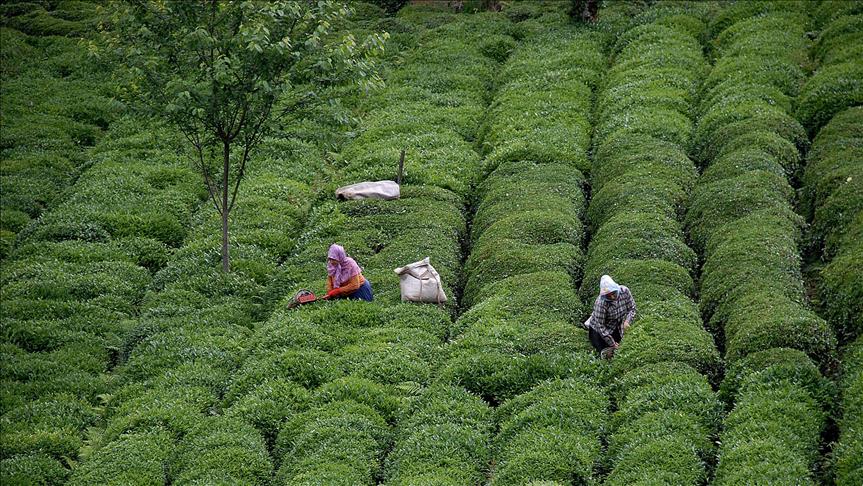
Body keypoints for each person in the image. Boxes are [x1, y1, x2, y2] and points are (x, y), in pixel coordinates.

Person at [583, 274, 636, 356]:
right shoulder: (601, 303)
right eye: (608, 295)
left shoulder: (625, 291)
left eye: (613, 293)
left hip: (615, 326)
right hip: (598, 330)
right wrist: (612, 343)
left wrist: (627, 321)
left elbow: (632, 308)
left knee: (619, 349)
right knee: (605, 351)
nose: (611, 296)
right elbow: (600, 326)